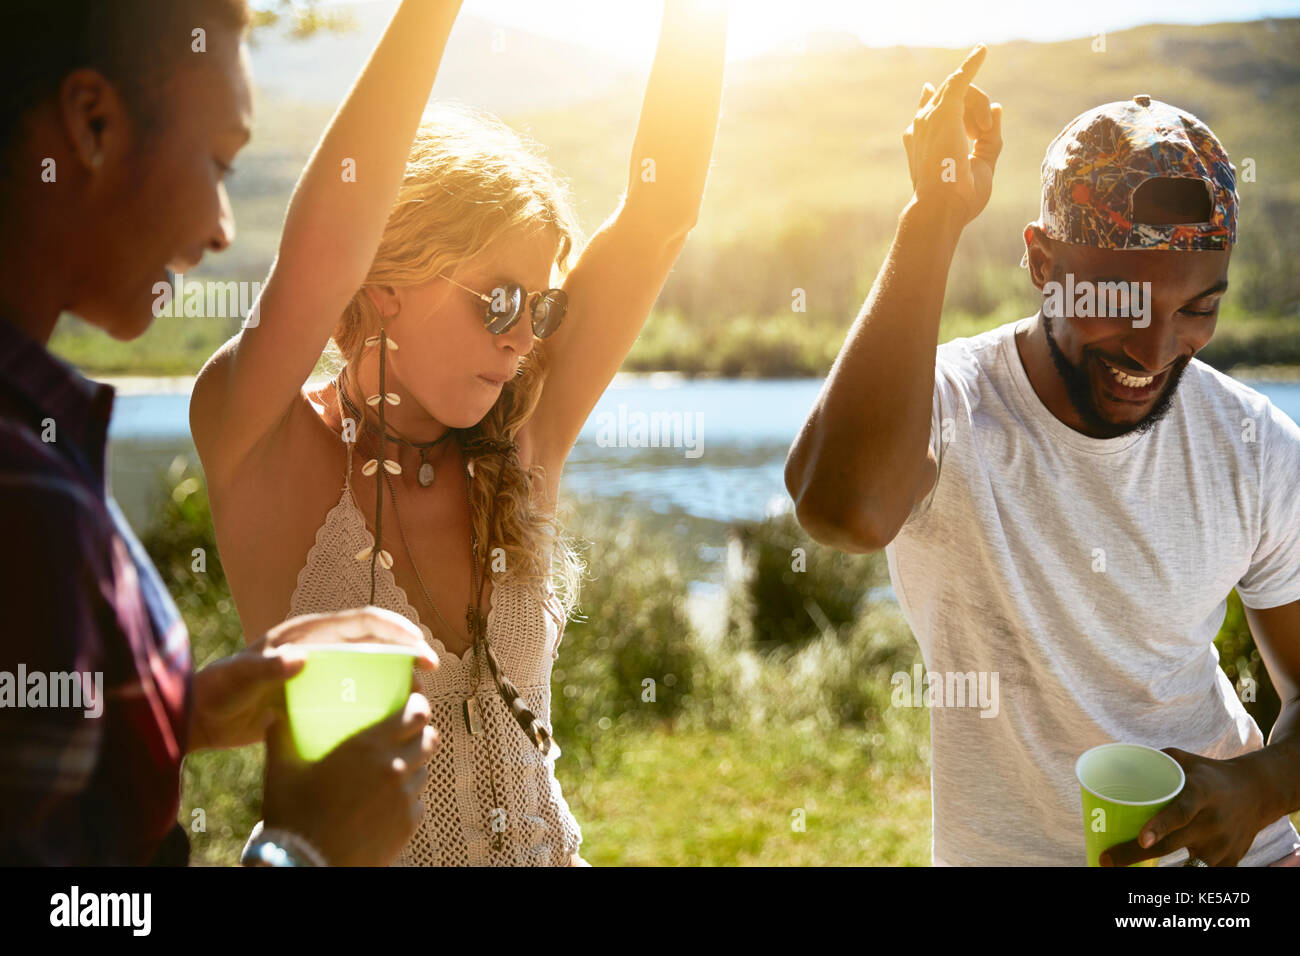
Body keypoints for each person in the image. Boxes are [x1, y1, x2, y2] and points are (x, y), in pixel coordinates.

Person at [189, 0, 727, 866]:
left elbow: (662, 207)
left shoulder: (521, 438)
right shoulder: (262, 442)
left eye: (541, 307)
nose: (523, 337)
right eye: (499, 300)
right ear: (388, 278)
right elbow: (325, 244)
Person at [786, 45, 1300, 867]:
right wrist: (933, 217)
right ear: (1043, 263)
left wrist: (1262, 788)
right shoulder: (949, 407)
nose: (1158, 348)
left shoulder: (1252, 443)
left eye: (1198, 310)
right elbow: (841, 508)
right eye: (1120, 302)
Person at [0, 0, 440, 867]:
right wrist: (304, 846)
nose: (221, 230)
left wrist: (170, 715)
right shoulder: (28, 503)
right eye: (218, 163)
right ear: (92, 123)